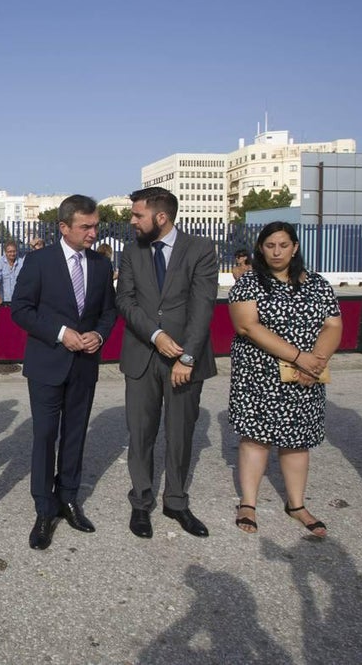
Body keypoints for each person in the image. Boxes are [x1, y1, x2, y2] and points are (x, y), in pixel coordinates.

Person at [11, 195, 117, 550]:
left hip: (85, 366)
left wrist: (98, 334)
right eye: (86, 226)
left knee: (75, 434)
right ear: (64, 227)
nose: (93, 232)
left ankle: (69, 497)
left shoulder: (101, 266)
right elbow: (21, 310)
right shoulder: (39, 261)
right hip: (46, 364)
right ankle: (44, 508)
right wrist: (60, 333)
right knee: (44, 435)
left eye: (96, 225)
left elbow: (108, 312)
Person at [227, 222, 342, 536]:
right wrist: (299, 357)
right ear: (261, 249)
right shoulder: (249, 283)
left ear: (295, 247)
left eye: (283, 245)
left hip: (305, 376)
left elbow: (333, 325)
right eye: (269, 245)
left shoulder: (317, 284)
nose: (276, 252)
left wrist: (315, 362)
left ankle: (296, 504)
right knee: (256, 438)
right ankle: (248, 503)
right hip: (259, 374)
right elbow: (247, 326)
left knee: (297, 441)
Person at [116, 186, 218, 539]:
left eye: (137, 215)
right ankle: (141, 502)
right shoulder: (131, 252)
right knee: (140, 434)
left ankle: (176, 502)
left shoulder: (200, 249)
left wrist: (186, 357)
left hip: (185, 362)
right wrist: (157, 336)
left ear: (161, 217)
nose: (131, 221)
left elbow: (203, 306)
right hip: (142, 355)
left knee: (180, 435)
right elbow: (125, 301)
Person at [0, 240, 23, 306]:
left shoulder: (21, 262)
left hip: (18, 301)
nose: (12, 254)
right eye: (10, 252)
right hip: (4, 301)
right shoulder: (0, 262)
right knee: (5, 316)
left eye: (14, 251)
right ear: (5, 252)